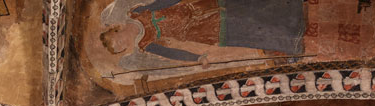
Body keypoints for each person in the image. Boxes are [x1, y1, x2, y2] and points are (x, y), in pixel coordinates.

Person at [99, 0, 304, 69]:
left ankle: (292, 10)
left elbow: (165, 1)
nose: (123, 44)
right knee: (245, 30)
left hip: (199, 8)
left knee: (247, 9)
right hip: (201, 30)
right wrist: (196, 58)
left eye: (118, 41)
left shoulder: (139, 13)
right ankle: (290, 41)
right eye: (120, 48)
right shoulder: (145, 44)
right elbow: (171, 53)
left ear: (117, 30)